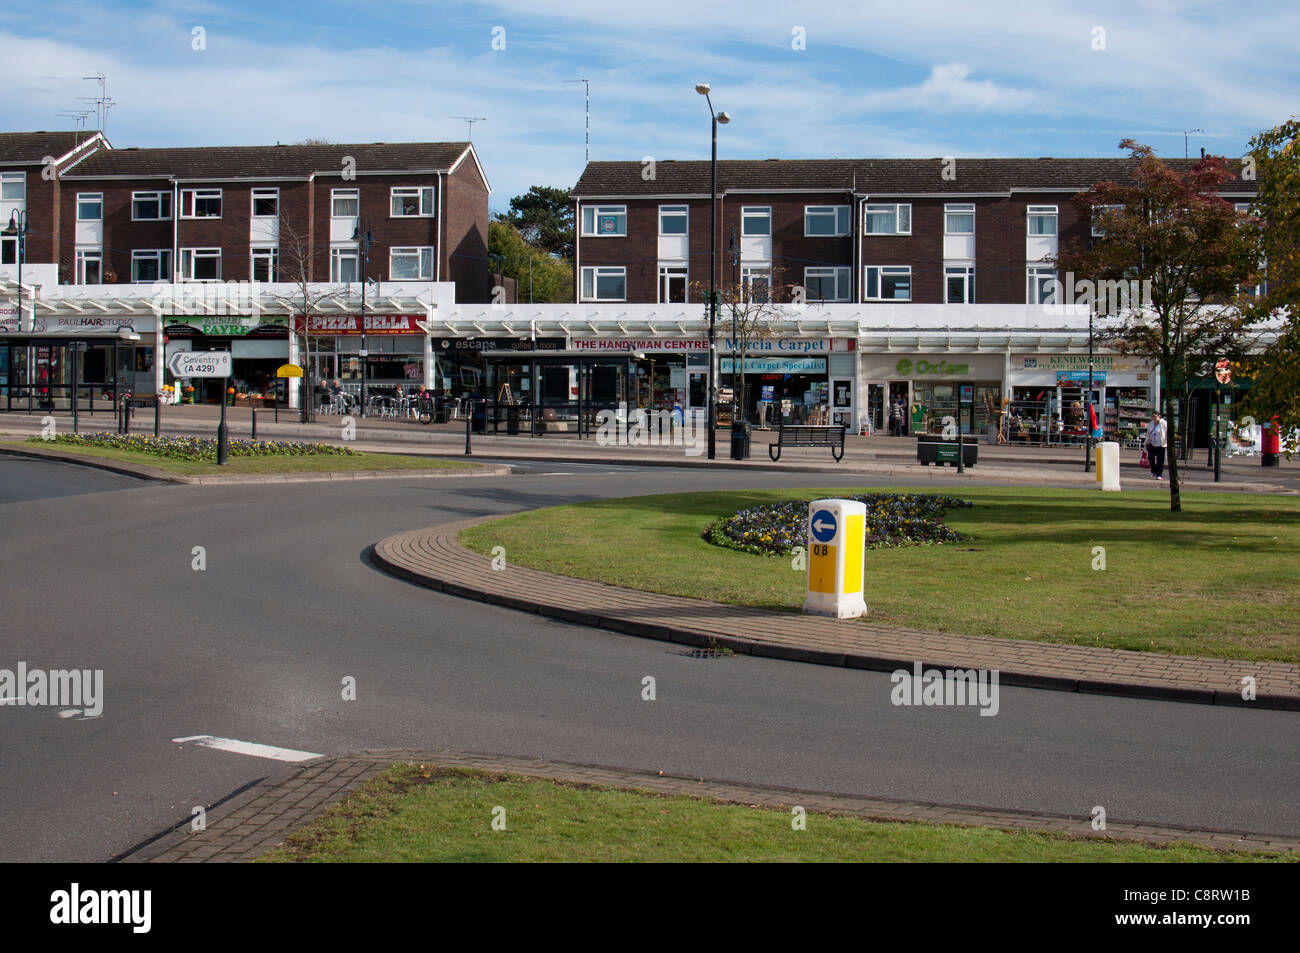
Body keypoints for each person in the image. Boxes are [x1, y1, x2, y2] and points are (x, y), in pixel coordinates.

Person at [1147, 410, 1168, 480]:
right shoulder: (1151, 423)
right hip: (1152, 443)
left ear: (1159, 416)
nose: (1154, 418)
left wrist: (1167, 441)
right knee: (1150, 457)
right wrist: (1148, 439)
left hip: (1161, 444)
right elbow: (1149, 432)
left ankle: (1159, 474)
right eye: (1152, 416)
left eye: (1155, 416)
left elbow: (1166, 432)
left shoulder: (1163, 423)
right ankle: (1154, 470)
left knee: (1160, 460)